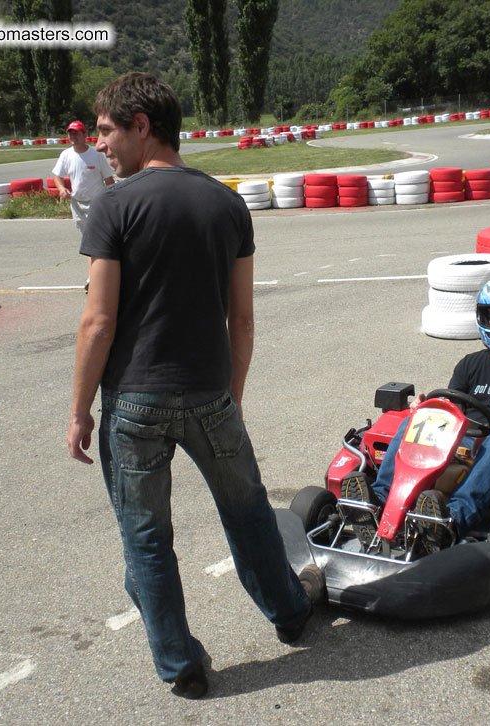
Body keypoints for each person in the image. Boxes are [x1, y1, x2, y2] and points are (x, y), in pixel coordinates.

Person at [66, 72, 323, 700]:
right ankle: (290, 613)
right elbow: (244, 317)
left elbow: (98, 323)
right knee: (248, 513)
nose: (99, 146)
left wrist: (78, 410)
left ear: (141, 126)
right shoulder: (227, 203)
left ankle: (181, 665)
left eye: (105, 131)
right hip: (210, 395)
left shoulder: (114, 206)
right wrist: (231, 392)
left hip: (134, 402)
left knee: (147, 538)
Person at [353, 275, 490, 548]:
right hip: (466, 448)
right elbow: (451, 414)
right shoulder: (470, 365)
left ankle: (453, 520)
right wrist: (425, 410)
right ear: (483, 318)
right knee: (416, 420)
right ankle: (380, 501)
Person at [51, 120, 115, 236]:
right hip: (77, 203)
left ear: (85, 135)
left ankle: (99, 253)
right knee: (85, 235)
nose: (73, 136)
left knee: (98, 235)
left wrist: (113, 200)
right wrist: (61, 189)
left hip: (96, 202)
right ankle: (92, 254)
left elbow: (109, 179)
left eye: (76, 133)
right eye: (71, 133)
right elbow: (57, 175)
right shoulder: (66, 155)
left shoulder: (97, 154)